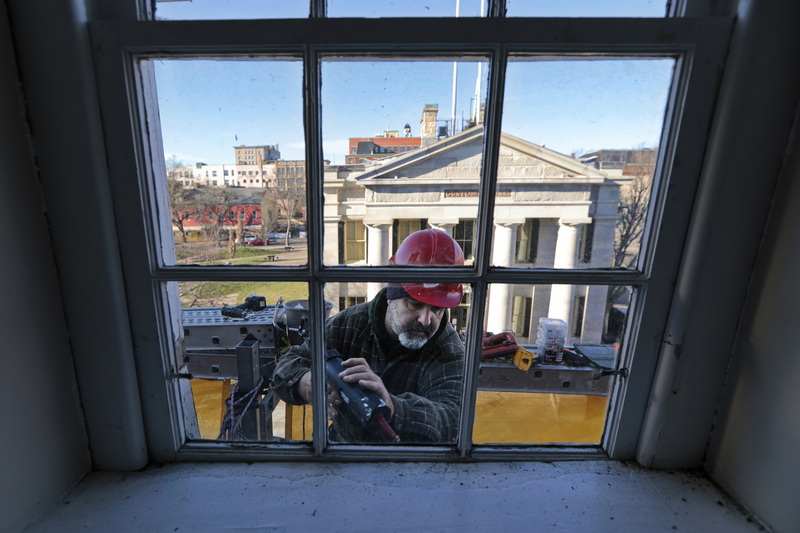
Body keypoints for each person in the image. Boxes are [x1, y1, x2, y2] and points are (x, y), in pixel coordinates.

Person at [271, 229, 466, 443]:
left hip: (414, 463)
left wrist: (393, 407)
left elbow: (452, 419)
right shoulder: (347, 325)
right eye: (415, 304)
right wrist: (305, 382)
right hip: (341, 448)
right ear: (392, 297)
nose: (426, 320)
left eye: (437, 309)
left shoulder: (448, 349)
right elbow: (288, 365)